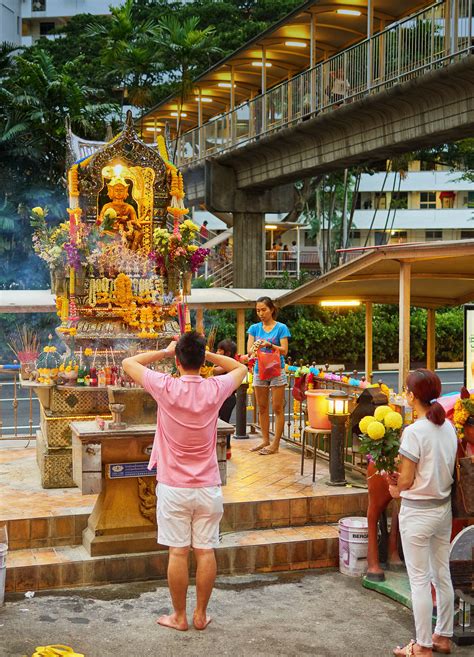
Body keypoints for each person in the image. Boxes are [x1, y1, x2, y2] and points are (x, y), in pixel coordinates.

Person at [122, 332, 247, 632]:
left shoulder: (166, 386)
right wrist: (209, 356)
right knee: (205, 550)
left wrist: (164, 352)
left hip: (174, 486)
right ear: (202, 361)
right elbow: (241, 369)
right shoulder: (214, 388)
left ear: (178, 360)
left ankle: (179, 617)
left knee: (178, 552)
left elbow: (128, 362)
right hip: (207, 487)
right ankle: (200, 615)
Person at [388, 369, 457, 657]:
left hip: (417, 512)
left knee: (418, 579)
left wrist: (395, 489)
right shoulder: (448, 427)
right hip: (442, 510)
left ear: (413, 396)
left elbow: (405, 480)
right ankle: (443, 636)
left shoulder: (414, 431)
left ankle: (422, 645)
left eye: (406, 390)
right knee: (441, 574)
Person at [247, 296, 290, 455]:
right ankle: (265, 440)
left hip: (276, 369)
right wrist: (256, 347)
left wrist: (269, 345)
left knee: (278, 407)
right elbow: (249, 350)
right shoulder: (254, 328)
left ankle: (275, 444)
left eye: (263, 310)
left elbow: (284, 350)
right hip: (260, 369)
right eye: (258, 310)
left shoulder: (281, 328)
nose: (261, 313)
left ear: (272, 309)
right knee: (262, 407)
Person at [99, 176, 143, 251]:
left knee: (139, 234)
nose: (119, 193)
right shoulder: (107, 206)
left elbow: (135, 221)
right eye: (116, 190)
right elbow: (101, 221)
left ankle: (132, 254)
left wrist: (127, 221)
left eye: (121, 190)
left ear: (126, 191)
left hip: (126, 230)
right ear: (111, 190)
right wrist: (113, 220)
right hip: (111, 230)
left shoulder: (129, 207)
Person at [215, 339, 238, 460]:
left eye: (220, 350)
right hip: (221, 398)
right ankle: (224, 447)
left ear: (227, 353)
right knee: (219, 423)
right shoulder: (222, 363)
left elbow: (215, 371)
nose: (217, 352)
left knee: (224, 423)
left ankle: (227, 448)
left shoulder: (228, 364)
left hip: (228, 399)